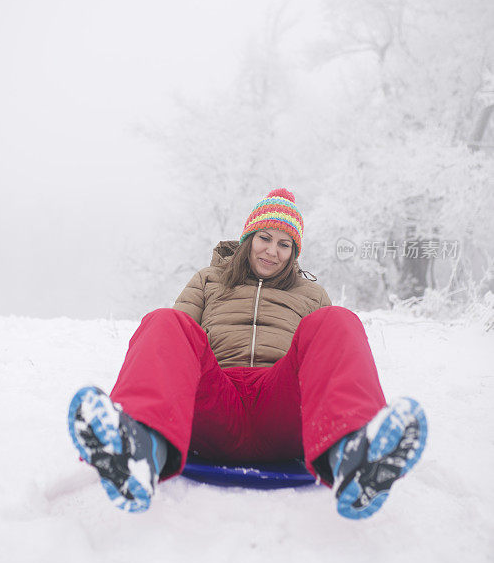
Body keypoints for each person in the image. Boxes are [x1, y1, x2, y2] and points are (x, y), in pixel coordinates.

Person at [68, 188, 427, 520]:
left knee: (337, 321)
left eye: (284, 244)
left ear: (294, 253)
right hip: (214, 404)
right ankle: (138, 450)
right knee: (166, 321)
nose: (272, 251)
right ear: (247, 239)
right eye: (265, 238)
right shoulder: (208, 280)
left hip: (281, 405)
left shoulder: (311, 294)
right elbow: (175, 345)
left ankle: (354, 457)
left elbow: (327, 362)